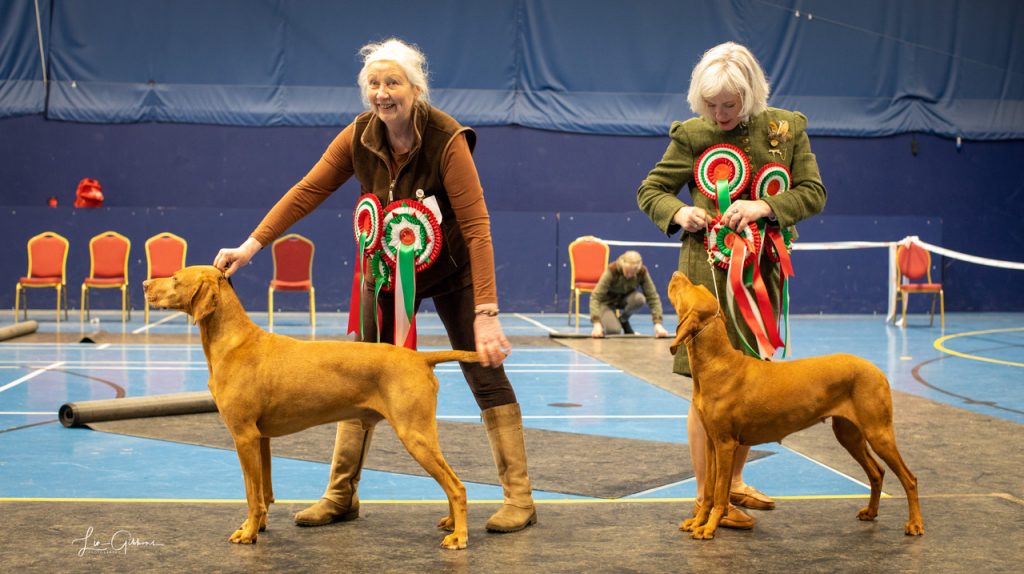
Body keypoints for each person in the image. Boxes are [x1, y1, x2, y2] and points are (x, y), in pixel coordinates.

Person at [214, 38, 537, 533]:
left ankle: (520, 498)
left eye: (393, 83)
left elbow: (476, 227)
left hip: (452, 270)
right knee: (355, 373)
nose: (382, 94)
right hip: (384, 271)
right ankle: (341, 495)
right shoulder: (360, 135)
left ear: (415, 88)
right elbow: (307, 191)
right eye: (374, 84)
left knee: (485, 370)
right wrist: (251, 245)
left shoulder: (447, 138)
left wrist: (487, 312)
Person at [637, 42, 826, 529]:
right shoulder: (693, 135)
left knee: (751, 393)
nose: (719, 115)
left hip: (762, 278)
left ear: (751, 94)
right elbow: (650, 191)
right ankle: (708, 499)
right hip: (706, 278)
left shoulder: (785, 130)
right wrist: (680, 211)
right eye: (711, 105)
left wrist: (765, 208)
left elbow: (813, 193)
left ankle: (733, 486)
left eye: (730, 105)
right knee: (707, 394)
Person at [589, 251, 670, 338]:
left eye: (633, 273)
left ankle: (623, 320)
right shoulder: (612, 270)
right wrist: (597, 323)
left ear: (638, 270)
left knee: (639, 299)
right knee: (614, 331)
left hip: (625, 299)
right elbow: (595, 297)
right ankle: (616, 323)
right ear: (622, 265)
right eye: (627, 272)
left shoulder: (642, 272)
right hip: (606, 303)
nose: (629, 275)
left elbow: (653, 297)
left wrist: (658, 324)